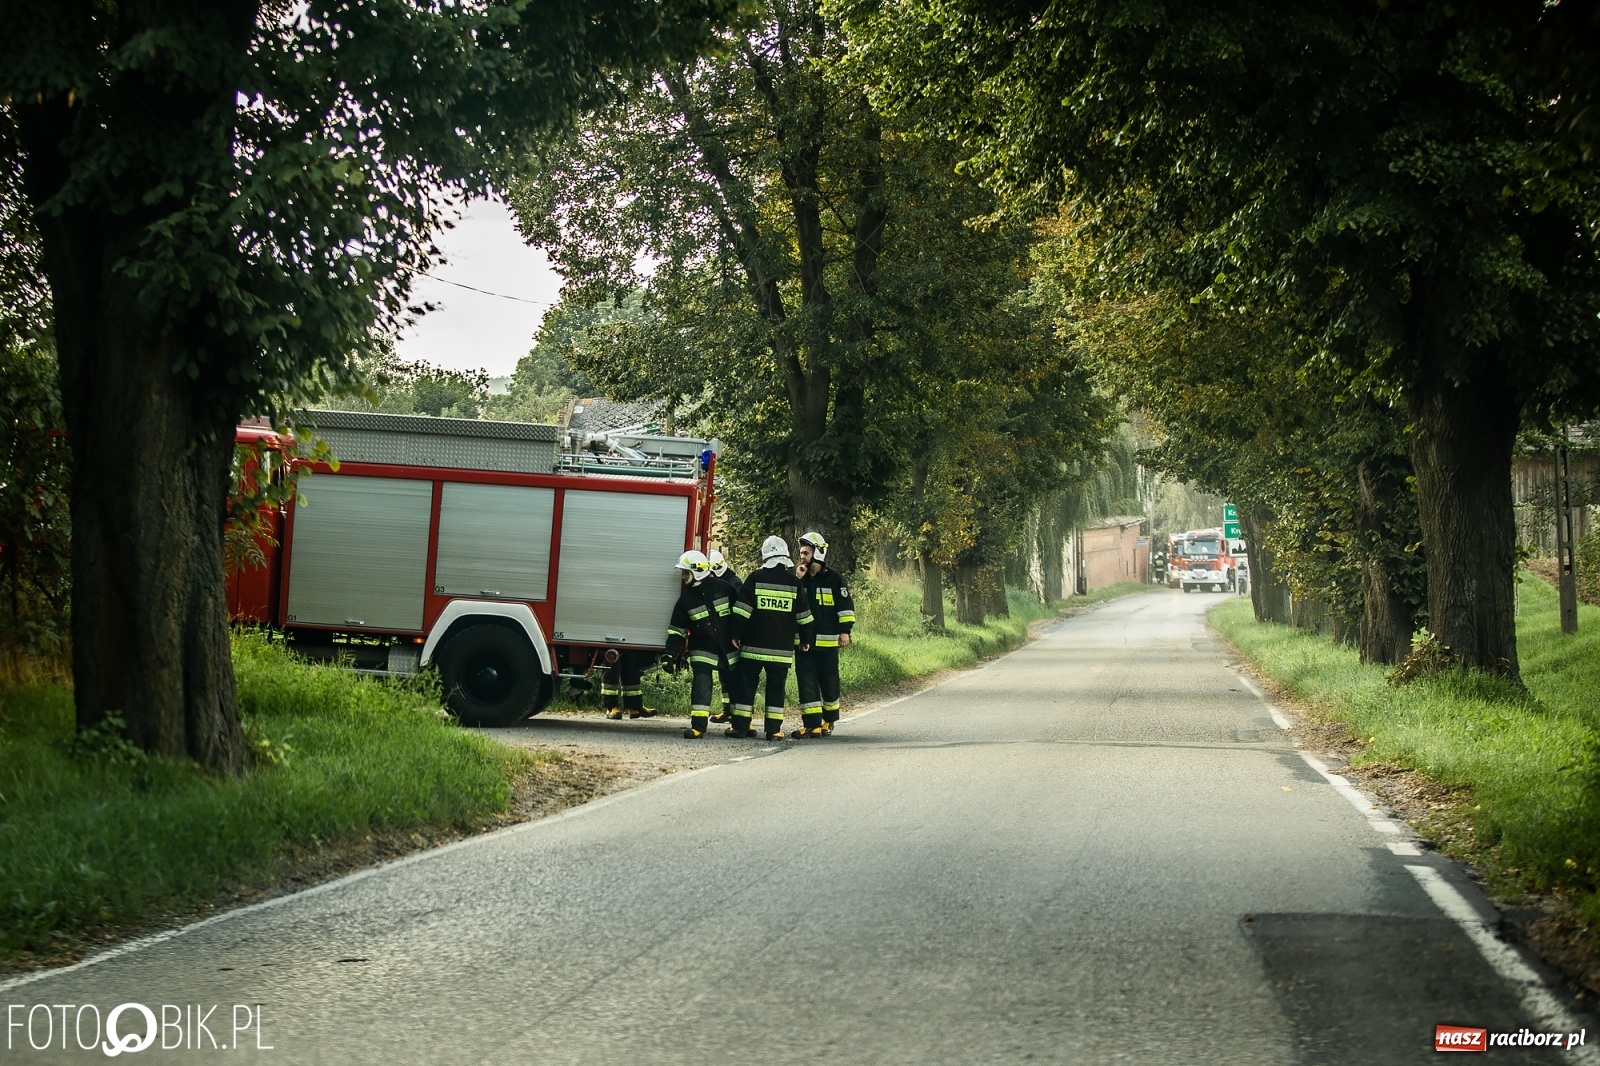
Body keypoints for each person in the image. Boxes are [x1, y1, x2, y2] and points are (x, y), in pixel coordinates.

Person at [725, 535, 815, 740]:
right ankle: (773, 730)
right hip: (781, 651)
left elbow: (742, 611)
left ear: (765, 556)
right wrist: (805, 640)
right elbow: (804, 616)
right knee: (776, 689)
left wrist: (735, 634)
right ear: (785, 557)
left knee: (746, 686)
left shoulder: (755, 578)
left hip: (753, 648)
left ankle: (740, 727)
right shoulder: (794, 583)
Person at [663, 549, 739, 739]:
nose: (682, 577)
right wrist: (669, 654)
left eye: (685, 573)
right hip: (702, 649)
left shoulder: (724, 588)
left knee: (735, 685)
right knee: (702, 684)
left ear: (697, 571)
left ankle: (740, 724)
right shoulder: (685, 601)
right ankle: (698, 727)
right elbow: (676, 631)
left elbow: (741, 615)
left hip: (728, 648)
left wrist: (741, 636)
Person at [792, 531, 855, 738]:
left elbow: (845, 606)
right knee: (806, 680)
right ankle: (811, 724)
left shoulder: (834, 578)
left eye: (806, 553)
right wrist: (798, 580)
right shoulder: (799, 579)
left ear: (818, 553)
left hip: (828, 642)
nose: (802, 557)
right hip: (805, 642)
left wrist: (845, 631)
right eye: (801, 553)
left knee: (829, 681)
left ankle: (829, 720)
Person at [706, 548, 743, 722]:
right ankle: (728, 710)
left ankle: (735, 711)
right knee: (724, 673)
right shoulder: (725, 581)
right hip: (722, 635)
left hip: (731, 636)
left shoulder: (734, 584)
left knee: (732, 674)